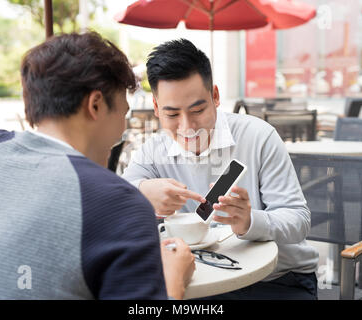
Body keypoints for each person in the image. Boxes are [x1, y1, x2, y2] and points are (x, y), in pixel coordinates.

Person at [0, 32, 195, 300]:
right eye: (123, 114)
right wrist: (173, 278)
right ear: (96, 104)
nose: (122, 131)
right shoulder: (118, 203)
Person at [122, 39, 319, 300]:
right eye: (172, 114)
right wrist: (143, 190)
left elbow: (299, 220)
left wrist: (251, 221)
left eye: (198, 109)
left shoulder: (259, 137)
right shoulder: (153, 150)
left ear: (215, 96)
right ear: (157, 108)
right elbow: (119, 199)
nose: (187, 127)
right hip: (206, 281)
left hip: (278, 280)